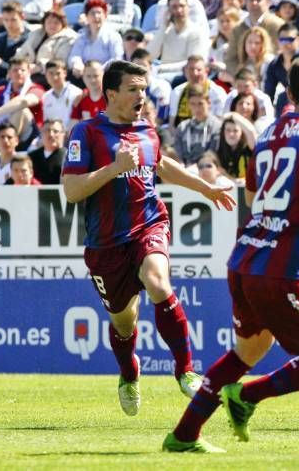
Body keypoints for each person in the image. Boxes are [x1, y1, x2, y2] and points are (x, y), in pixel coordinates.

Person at [164, 55, 299, 453]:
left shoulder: (271, 131)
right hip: (283, 269)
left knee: (248, 350)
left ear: (289, 94)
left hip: (244, 259)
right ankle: (248, 397)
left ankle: (184, 435)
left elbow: (253, 196)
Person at [61, 60, 236, 417]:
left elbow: (162, 165)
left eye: (144, 89)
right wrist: (113, 169)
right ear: (111, 94)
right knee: (124, 322)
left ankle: (185, 369)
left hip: (148, 225)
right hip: (106, 243)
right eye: (133, 90)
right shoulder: (86, 132)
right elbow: (72, 190)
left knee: (158, 282)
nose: (141, 96)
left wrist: (206, 189)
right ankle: (129, 373)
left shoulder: (147, 130)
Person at [68, 0, 123, 79]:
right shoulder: (81, 36)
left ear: (105, 15)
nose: (96, 16)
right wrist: (77, 64)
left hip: (106, 77)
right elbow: (74, 55)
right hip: (84, 76)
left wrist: (98, 70)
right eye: (92, 13)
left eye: (99, 13)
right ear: (86, 16)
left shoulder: (114, 36)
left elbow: (117, 59)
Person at [174, 85, 223, 167]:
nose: (197, 108)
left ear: (209, 103)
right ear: (188, 105)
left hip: (207, 170)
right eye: (193, 104)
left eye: (200, 104)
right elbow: (178, 155)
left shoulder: (217, 126)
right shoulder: (182, 127)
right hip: (185, 170)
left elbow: (213, 154)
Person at [0, 1, 29, 83]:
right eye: (6, 20)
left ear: (22, 17)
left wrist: (1, 64)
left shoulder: (29, 39)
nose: (9, 24)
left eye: (13, 20)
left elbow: (24, 68)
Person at [42, 60, 82, 129]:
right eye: (51, 73)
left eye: (58, 73)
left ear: (65, 73)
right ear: (46, 74)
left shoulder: (77, 93)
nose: (55, 77)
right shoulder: (45, 97)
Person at [28, 119, 66, 184]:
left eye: (55, 131)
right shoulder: (31, 157)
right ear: (41, 133)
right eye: (47, 130)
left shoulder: (68, 157)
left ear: (63, 134)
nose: (51, 134)